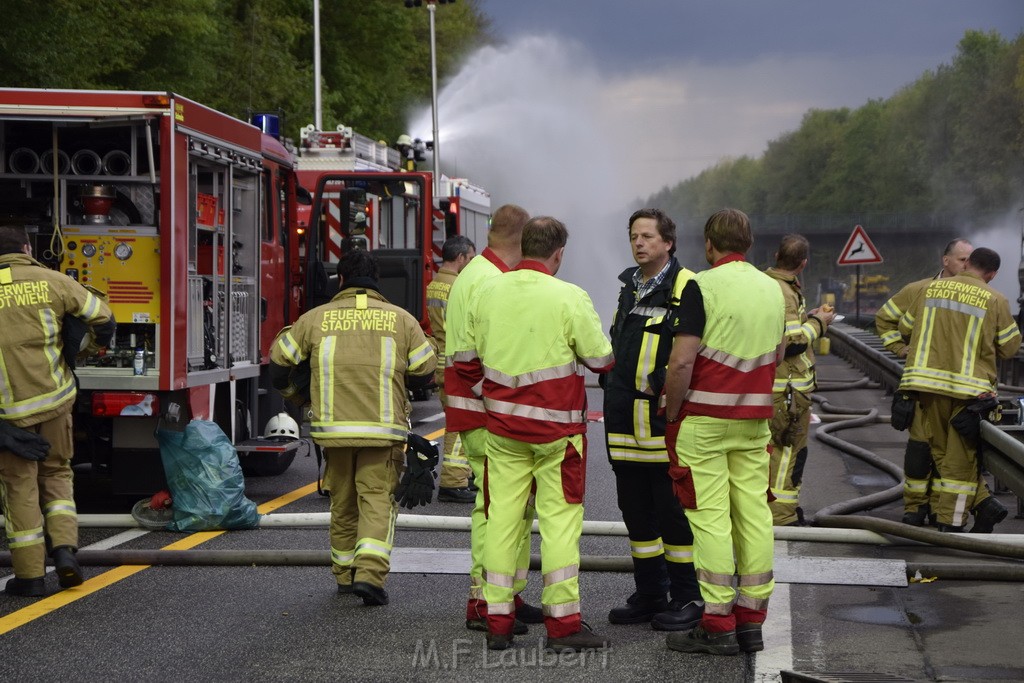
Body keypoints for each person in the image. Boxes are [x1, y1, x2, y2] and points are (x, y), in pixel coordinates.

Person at [457, 216, 615, 651]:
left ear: (524, 245)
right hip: (558, 436)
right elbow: (601, 360)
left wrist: (493, 400)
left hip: (504, 433)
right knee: (560, 525)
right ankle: (563, 627)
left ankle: (498, 622)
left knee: (502, 521)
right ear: (558, 253)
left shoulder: (487, 292)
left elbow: (464, 361)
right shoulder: (570, 296)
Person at [270, 249, 436, 605]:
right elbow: (425, 370)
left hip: (334, 432)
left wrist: (301, 399)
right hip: (383, 432)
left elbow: (278, 367)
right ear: (376, 281)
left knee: (343, 502)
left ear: (341, 280)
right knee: (376, 499)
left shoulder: (314, 319)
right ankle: (370, 576)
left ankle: (345, 576)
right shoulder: (402, 320)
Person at [662, 209, 785, 656]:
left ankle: (717, 622)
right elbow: (780, 349)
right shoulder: (772, 289)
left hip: (705, 423)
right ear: (749, 246)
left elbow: (681, 361)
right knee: (753, 514)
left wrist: (673, 413)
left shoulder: (701, 285)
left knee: (710, 517)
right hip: (753, 422)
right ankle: (751, 620)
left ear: (710, 245)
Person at [0, 224, 115, 597]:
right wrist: (85, 349)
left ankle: (31, 577)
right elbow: (104, 318)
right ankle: (65, 552)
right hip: (55, 401)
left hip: (9, 417)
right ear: (28, 247)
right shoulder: (54, 281)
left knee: (19, 488)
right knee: (57, 476)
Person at [603, 208, 703, 631]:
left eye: (647, 236)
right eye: (633, 236)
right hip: (625, 421)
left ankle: (687, 596)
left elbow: (686, 359)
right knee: (636, 513)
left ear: (668, 243)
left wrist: (672, 411)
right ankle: (649, 593)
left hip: (661, 423)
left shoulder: (686, 287)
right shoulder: (630, 286)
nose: (639, 243)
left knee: (672, 514)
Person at [444, 204, 543, 631]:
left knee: (511, 509)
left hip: (483, 414)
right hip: (487, 417)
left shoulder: (478, 274)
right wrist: (504, 402)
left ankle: (508, 595)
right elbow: (471, 361)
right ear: (520, 241)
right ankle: (486, 602)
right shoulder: (489, 280)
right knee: (495, 510)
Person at [897, 247, 1021, 532]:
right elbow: (1010, 346)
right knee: (960, 457)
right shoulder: (995, 299)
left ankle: (974, 507)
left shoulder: (931, 289)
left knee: (940, 450)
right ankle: (950, 523)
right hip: (970, 393)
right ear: (991, 274)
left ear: (968, 264)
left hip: (926, 385)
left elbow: (905, 327)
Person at [875, 238, 972, 526]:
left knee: (953, 454)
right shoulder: (918, 290)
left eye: (970, 260)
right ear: (946, 260)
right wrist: (900, 349)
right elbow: (884, 319)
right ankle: (915, 508)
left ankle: (941, 510)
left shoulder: (979, 296)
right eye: (962, 259)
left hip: (960, 390)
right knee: (920, 449)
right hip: (922, 388)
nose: (966, 265)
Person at [764, 234, 834, 527]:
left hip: (773, 388)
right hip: (788, 391)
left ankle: (773, 511)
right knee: (787, 453)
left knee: (769, 452)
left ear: (777, 255)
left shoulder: (766, 284)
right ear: (803, 263)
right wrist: (820, 323)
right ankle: (782, 516)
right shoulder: (786, 292)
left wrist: (809, 316)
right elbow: (792, 342)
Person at [425, 235, 476, 504]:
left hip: (443, 362)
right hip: (457, 365)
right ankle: (454, 481)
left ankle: (462, 476)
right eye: (470, 258)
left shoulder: (435, 284)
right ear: (460, 258)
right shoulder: (458, 287)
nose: (471, 263)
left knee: (458, 421)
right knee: (460, 424)